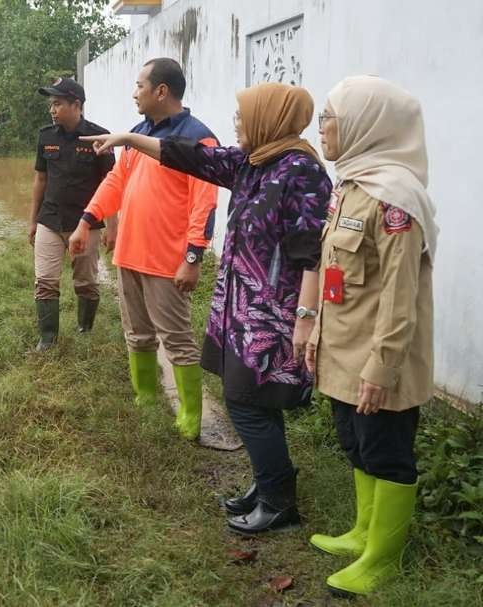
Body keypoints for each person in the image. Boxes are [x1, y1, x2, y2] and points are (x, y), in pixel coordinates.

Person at [81, 82, 331, 533]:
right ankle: (268, 486)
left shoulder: (301, 172)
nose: (236, 121)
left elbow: (309, 252)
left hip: (272, 316)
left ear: (268, 117)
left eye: (243, 113)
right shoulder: (253, 163)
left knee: (246, 404)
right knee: (255, 402)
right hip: (240, 308)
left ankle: (279, 503)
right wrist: (126, 138)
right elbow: (187, 155)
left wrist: (306, 319)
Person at [305, 76, 437, 597]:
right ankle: (363, 532)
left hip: (379, 356)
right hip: (343, 346)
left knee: (387, 451)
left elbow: (400, 296)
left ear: (366, 123)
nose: (322, 129)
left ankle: (384, 557)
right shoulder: (352, 184)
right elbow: (334, 266)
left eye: (329, 118)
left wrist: (381, 368)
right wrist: (314, 329)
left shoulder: (397, 198)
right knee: (354, 444)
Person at [68, 58, 219, 439]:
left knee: (178, 340)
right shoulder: (136, 134)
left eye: (139, 85)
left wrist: (193, 257)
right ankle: (146, 399)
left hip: (167, 261)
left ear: (161, 91)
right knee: (137, 333)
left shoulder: (197, 138)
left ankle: (190, 416)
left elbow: (205, 204)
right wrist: (87, 220)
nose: (134, 92)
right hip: (130, 255)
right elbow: (116, 183)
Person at [29, 77, 115, 352]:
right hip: (50, 220)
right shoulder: (46, 136)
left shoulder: (99, 138)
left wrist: (112, 226)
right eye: (50, 105)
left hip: (86, 224)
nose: (52, 110)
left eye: (57, 104)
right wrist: (32, 221)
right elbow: (40, 180)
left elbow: (110, 184)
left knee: (86, 282)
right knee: (45, 281)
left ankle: (85, 328)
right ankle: (48, 338)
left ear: (76, 105)